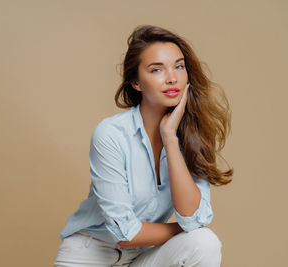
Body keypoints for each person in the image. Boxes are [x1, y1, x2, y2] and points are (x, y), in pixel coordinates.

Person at [53, 25, 233, 267]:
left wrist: (170, 137)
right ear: (136, 83)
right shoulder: (111, 135)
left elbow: (194, 218)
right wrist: (180, 228)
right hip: (90, 255)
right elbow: (125, 233)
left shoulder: (192, 136)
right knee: (195, 234)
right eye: (156, 69)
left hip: (145, 257)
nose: (172, 77)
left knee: (205, 243)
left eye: (179, 66)